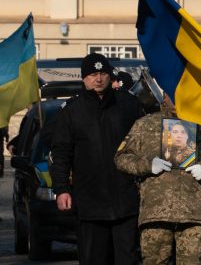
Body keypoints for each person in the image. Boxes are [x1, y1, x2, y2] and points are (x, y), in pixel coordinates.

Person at [50, 53, 145, 264]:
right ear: (84, 78)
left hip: (125, 198)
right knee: (93, 258)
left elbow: (143, 145)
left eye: (103, 73)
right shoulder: (72, 111)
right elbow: (61, 153)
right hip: (90, 200)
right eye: (93, 74)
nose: (99, 79)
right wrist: (62, 188)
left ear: (110, 76)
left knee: (127, 258)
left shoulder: (128, 105)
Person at [115, 94, 201, 265]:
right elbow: (121, 158)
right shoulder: (145, 124)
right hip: (156, 212)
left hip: (193, 212)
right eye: (171, 93)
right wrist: (146, 165)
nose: (176, 98)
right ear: (163, 96)